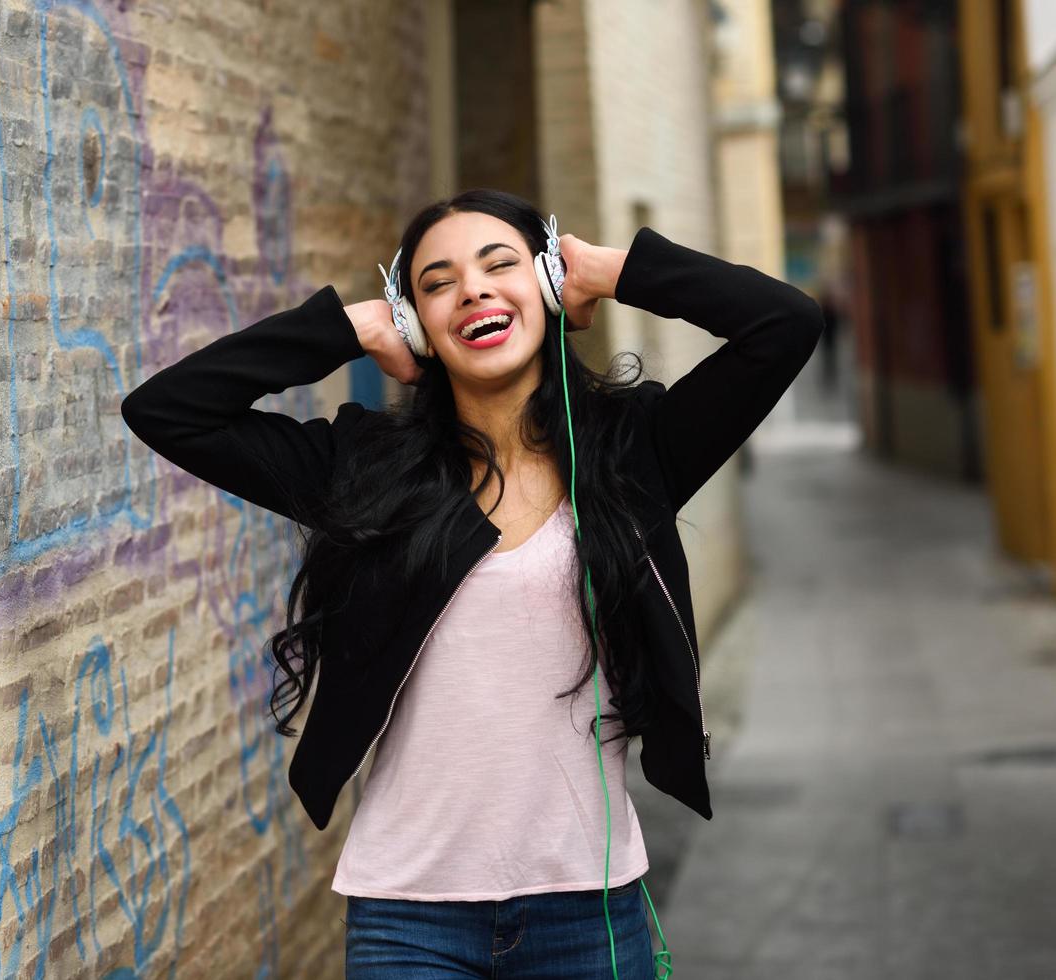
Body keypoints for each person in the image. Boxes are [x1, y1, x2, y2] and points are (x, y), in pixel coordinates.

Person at [121, 189, 823, 978]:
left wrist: (612, 269)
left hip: (587, 908)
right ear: (416, 320)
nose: (474, 291)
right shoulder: (364, 470)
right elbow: (167, 410)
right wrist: (349, 328)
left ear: (549, 284)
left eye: (501, 266)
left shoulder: (633, 454)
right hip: (409, 916)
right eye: (436, 283)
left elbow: (784, 325)